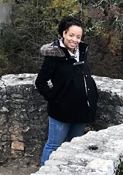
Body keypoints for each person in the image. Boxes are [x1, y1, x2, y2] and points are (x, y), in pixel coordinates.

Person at [35, 16, 98, 165]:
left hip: (81, 110)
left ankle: (66, 174)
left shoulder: (82, 51)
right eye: (71, 35)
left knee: (74, 146)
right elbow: (40, 82)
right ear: (64, 33)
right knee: (53, 145)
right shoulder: (53, 56)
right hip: (61, 112)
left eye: (78, 37)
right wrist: (55, 99)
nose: (74, 40)